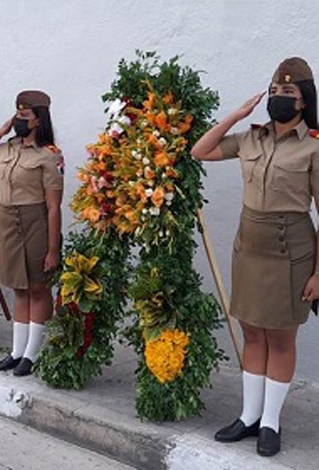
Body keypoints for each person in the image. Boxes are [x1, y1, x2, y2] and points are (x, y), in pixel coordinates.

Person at [191, 57, 319, 457]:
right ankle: (248, 416)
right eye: (275, 91)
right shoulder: (251, 138)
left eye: (289, 93)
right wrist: (236, 114)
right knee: (251, 333)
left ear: (303, 101)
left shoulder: (314, 146)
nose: (279, 98)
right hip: (249, 248)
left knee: (280, 338)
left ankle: (270, 422)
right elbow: (200, 151)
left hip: (291, 249)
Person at [0, 90, 64, 375]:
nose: (18, 121)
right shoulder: (7, 147)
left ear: (38, 121)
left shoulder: (50, 155)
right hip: (8, 222)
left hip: (35, 221)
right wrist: (2, 129)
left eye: (24, 117)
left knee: (38, 287)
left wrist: (53, 250)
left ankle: (32, 354)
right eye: (16, 116)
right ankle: (16, 352)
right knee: (18, 286)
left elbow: (53, 207)